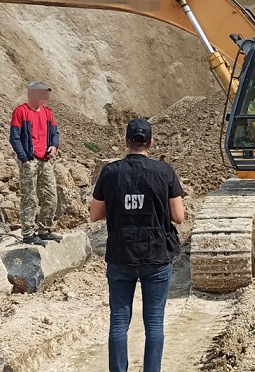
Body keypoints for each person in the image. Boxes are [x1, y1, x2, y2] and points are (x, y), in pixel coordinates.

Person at [89, 118, 185, 372]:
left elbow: (95, 215)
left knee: (119, 323)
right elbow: (178, 216)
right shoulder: (164, 172)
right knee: (154, 323)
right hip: (156, 255)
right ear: (151, 143)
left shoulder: (110, 172)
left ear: (126, 142)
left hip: (121, 254)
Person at [9, 81, 63, 246]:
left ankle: (44, 230)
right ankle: (28, 233)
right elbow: (14, 137)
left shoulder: (47, 113)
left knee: (51, 196)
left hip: (45, 160)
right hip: (30, 160)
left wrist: (54, 146)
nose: (46, 96)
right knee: (29, 197)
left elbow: (55, 133)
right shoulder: (21, 112)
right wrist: (24, 159)